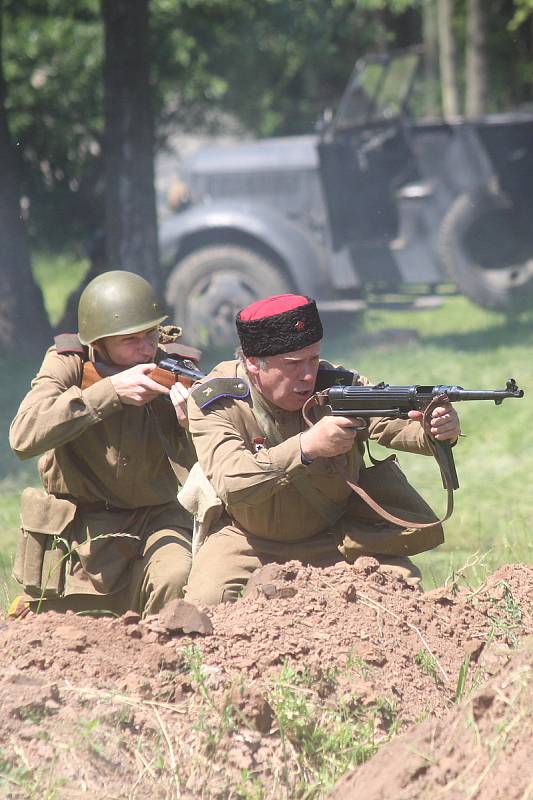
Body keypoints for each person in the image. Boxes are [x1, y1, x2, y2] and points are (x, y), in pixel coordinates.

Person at [182, 294, 461, 606]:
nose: (307, 375)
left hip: (335, 536)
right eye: (292, 364)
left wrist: (435, 430)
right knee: (204, 608)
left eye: (313, 359)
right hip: (248, 541)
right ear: (252, 363)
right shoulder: (217, 400)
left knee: (404, 598)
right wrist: (308, 446)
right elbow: (233, 483)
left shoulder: (339, 386)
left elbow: (393, 424)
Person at [9, 270, 199, 618]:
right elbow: (23, 436)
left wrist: (191, 425)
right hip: (81, 535)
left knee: (177, 577)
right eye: (131, 340)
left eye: (151, 335)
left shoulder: (177, 369)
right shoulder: (69, 363)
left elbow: (214, 463)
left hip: (157, 522)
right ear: (98, 343)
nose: (146, 349)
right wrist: (108, 393)